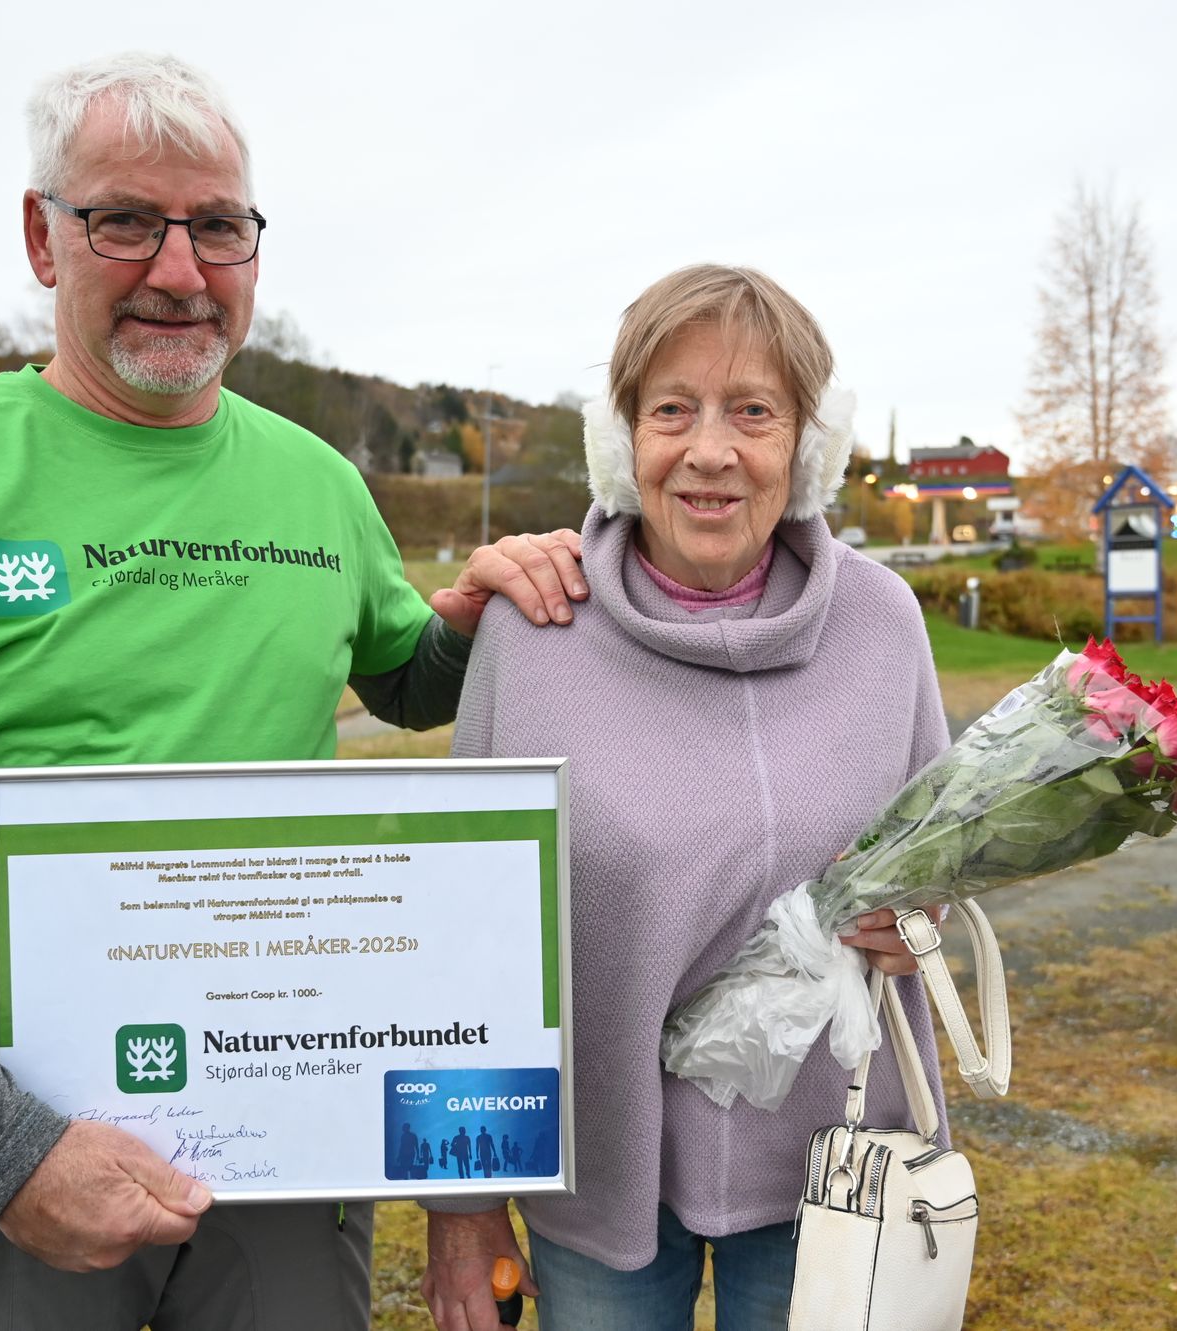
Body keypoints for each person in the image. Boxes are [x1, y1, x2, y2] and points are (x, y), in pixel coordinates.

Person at [0, 52, 583, 1331]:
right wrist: (3, 1152)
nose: (179, 268)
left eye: (218, 225)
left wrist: (481, 609)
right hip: (6, 1168)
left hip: (291, 1133)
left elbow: (402, 680)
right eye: (124, 218)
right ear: (41, 235)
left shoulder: (315, 481)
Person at [420, 265, 951, 1331]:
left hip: (830, 1171)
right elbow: (462, 934)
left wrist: (927, 919)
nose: (709, 449)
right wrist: (461, 1203)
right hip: (596, 1174)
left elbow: (944, 862)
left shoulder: (883, 621)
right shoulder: (534, 628)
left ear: (806, 444)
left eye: (751, 410)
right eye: (671, 409)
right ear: (619, 441)